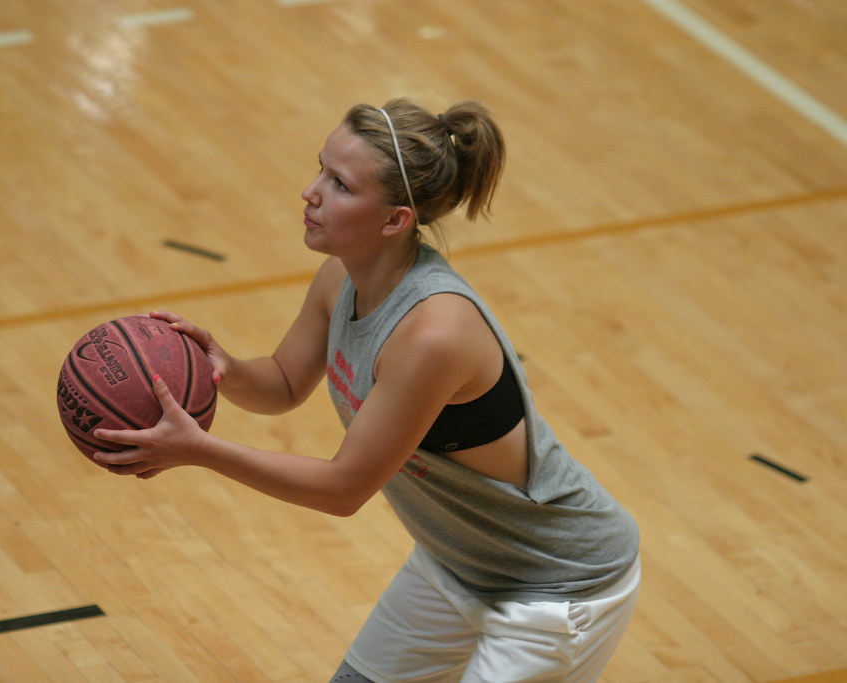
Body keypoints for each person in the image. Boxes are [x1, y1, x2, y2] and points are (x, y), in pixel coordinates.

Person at [93, 98, 641, 682]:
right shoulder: (341, 276)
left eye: (339, 184)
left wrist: (198, 451)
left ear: (395, 220)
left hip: (556, 584)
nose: (310, 192)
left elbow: (343, 489)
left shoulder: (433, 334)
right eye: (319, 169)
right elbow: (280, 383)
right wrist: (217, 365)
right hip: (457, 561)